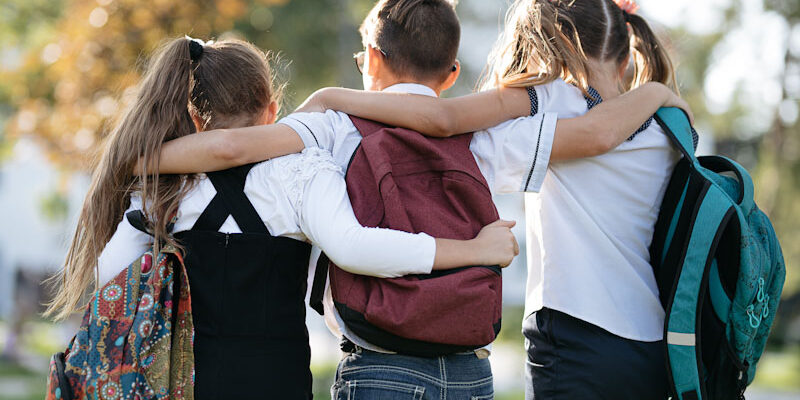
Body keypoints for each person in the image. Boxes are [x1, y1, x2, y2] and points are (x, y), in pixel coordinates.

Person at [44, 37, 523, 400]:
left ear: (192, 119)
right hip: (278, 380)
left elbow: (111, 279)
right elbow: (357, 249)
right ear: (273, 110)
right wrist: (474, 250)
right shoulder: (302, 172)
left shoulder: (161, 187)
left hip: (185, 381)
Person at [294, 0, 688, 398]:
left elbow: (444, 121)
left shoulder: (550, 100)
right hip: (650, 340)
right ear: (625, 60)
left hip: (572, 329)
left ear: (551, 48)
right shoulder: (663, 129)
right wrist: (655, 91)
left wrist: (333, 98)